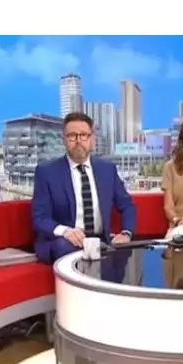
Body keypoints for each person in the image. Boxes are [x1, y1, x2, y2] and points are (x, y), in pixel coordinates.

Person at [32, 112, 137, 264]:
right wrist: (66, 231)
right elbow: (40, 218)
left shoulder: (107, 169)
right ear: (63, 140)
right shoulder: (47, 172)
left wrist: (126, 233)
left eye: (84, 135)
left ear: (92, 139)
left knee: (121, 257)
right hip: (66, 242)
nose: (78, 141)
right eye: (72, 136)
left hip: (101, 240)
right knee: (64, 247)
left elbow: (127, 205)